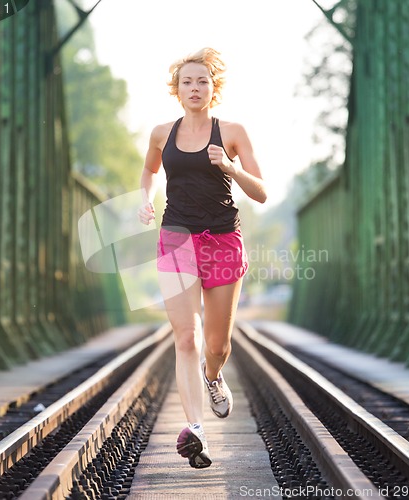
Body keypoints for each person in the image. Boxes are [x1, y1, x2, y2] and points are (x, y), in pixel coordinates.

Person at [138, 47, 266, 469]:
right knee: (186, 337)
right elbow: (150, 170)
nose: (195, 88)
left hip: (223, 239)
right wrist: (144, 199)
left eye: (203, 81)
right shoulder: (161, 133)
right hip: (176, 238)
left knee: (217, 343)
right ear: (176, 90)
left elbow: (261, 192)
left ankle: (212, 377)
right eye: (187, 82)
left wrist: (230, 167)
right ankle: (196, 430)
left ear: (214, 89)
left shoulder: (231, 131)